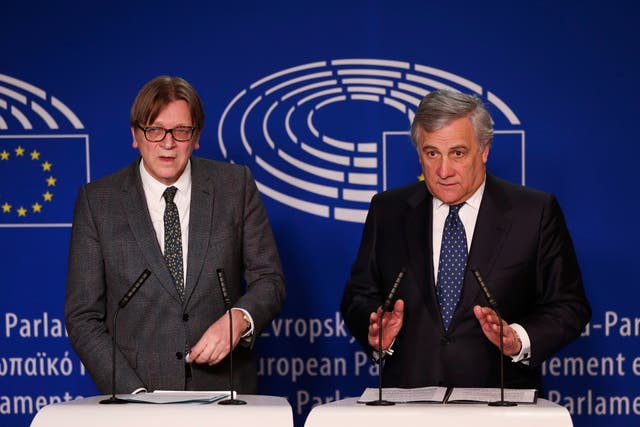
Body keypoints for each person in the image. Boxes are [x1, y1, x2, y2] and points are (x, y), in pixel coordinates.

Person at [340, 89, 590, 391]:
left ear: (484, 150)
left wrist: (517, 339)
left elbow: (569, 305)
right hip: (407, 403)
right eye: (432, 154)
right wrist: (377, 329)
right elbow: (358, 295)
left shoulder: (534, 212)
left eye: (457, 153)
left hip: (502, 405)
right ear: (419, 153)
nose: (443, 171)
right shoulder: (388, 210)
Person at [65, 75, 286, 394]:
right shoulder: (98, 202)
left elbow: (270, 280)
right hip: (136, 400)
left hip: (226, 394)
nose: (168, 143)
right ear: (135, 135)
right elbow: (82, 317)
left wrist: (238, 318)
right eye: (154, 130)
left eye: (181, 131)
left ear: (196, 137)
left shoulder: (234, 186)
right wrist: (132, 395)